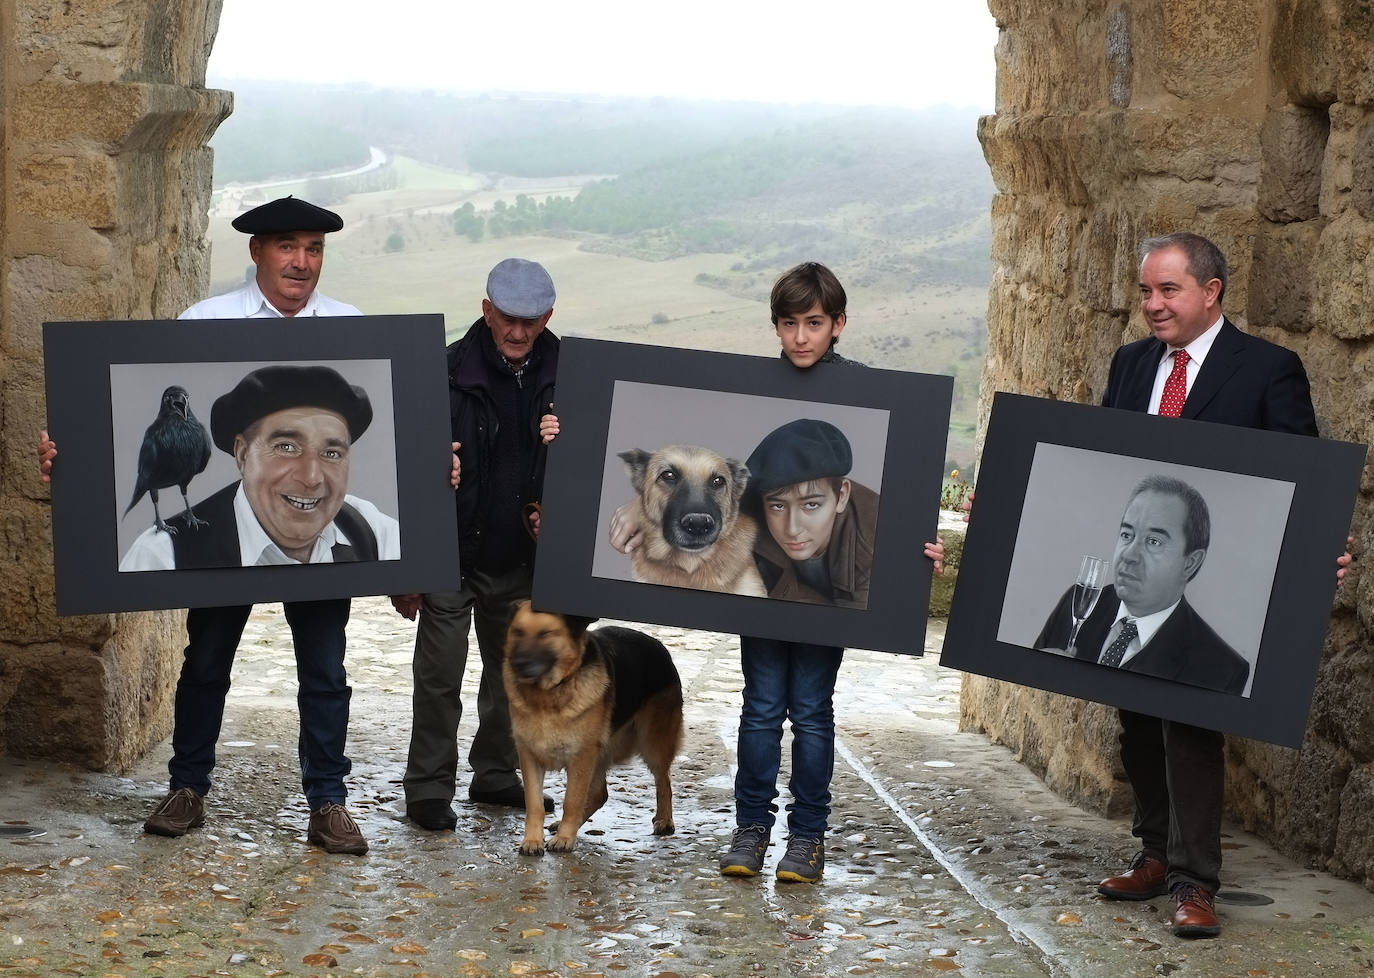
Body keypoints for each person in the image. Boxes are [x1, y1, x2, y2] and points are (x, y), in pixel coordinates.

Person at [38, 197, 380, 855]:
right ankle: (187, 786)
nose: (301, 262)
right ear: (257, 252)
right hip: (224, 532)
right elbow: (133, 412)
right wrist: (72, 459)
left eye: (312, 248)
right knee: (207, 661)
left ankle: (328, 801)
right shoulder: (203, 321)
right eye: (287, 247)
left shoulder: (352, 326)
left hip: (311, 532)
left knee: (326, 668)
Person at [607, 262, 943, 883]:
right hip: (763, 588)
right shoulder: (756, 388)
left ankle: (808, 837)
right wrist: (636, 502)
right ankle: (753, 827)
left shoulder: (870, 397)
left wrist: (918, 553)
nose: (800, 338)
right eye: (788, 324)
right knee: (761, 706)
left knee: (811, 708)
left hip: (827, 600)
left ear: (839, 324)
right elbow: (704, 466)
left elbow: (890, 500)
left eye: (814, 324)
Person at [1066, 232, 1330, 937]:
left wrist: (1321, 548)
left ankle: (1194, 882)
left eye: (1168, 290)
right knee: (1135, 723)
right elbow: (1105, 470)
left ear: (1211, 292)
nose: (1152, 305)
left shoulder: (1269, 369)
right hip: (1137, 591)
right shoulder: (1129, 366)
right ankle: (1153, 854)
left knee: (1190, 730)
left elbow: (1303, 478)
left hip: (1217, 583)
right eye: (1146, 291)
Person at [389, 258, 560, 831]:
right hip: (451, 555)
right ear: (486, 311)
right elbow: (405, 468)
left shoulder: (572, 375)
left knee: (512, 676)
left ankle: (495, 775)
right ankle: (429, 787)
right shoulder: (442, 372)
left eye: (531, 322)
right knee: (438, 677)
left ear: (548, 317)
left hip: (522, 558)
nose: (518, 332)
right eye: (508, 319)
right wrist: (407, 566)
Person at [118, 364, 400, 570]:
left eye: (331, 452)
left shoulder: (370, 529)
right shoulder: (163, 555)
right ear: (242, 454)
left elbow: (424, 559)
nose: (312, 477)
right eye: (286, 447)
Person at [1033, 474, 1250, 695]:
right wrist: (1035, 675)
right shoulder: (1078, 603)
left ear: (1190, 563)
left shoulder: (1221, 670)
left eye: (1154, 541)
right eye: (1127, 534)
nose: (1129, 555)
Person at [743, 418, 878, 609]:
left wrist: (923, 559)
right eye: (778, 507)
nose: (792, 529)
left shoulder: (879, 540)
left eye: (811, 505)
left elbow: (865, 633)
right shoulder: (744, 525)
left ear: (842, 496)